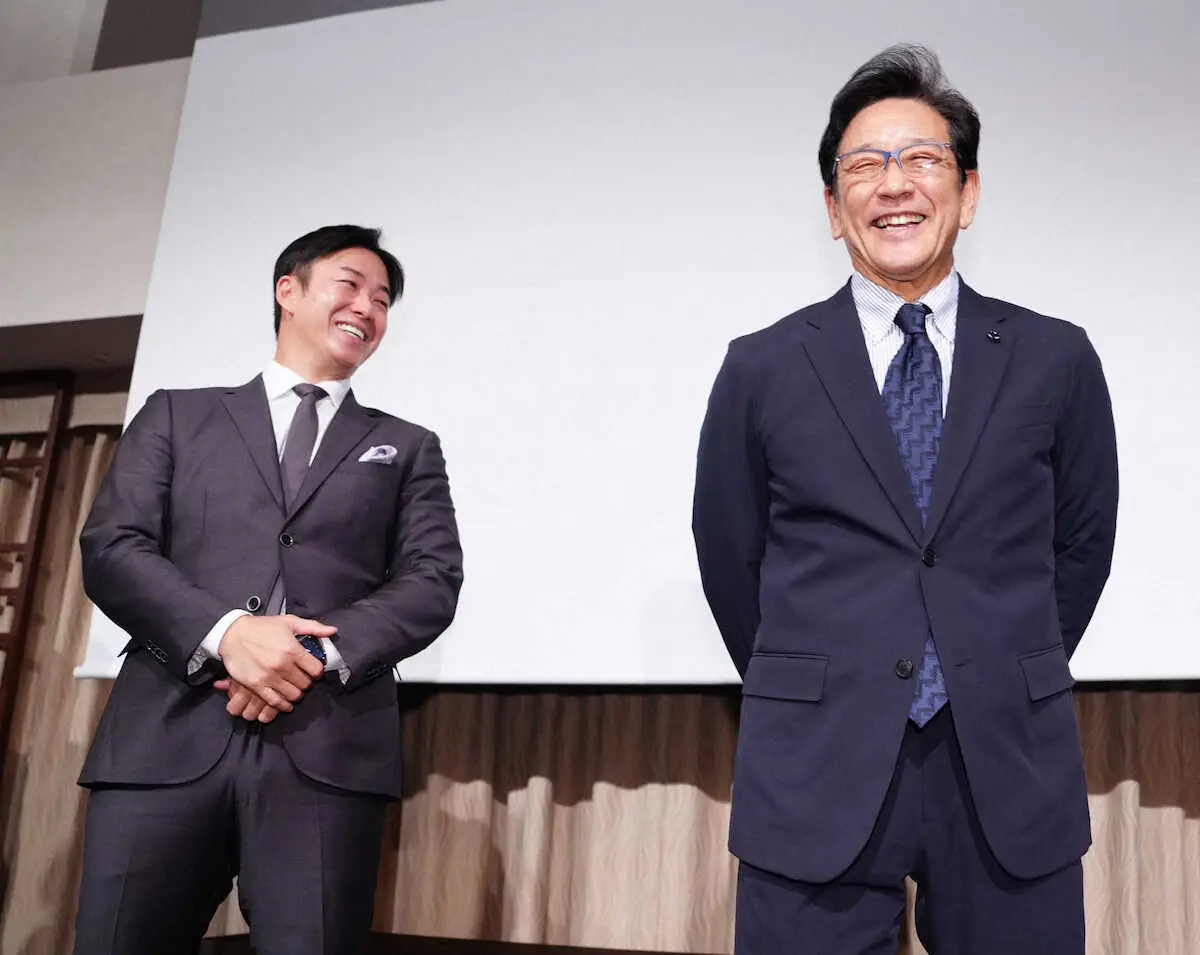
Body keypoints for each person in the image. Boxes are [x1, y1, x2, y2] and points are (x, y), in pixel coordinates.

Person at [692, 45, 1117, 954]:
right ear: (832, 207)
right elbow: (731, 554)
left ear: (968, 192)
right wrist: (817, 675)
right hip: (815, 768)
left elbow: (1083, 543)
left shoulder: (1056, 356)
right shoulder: (762, 366)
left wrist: (994, 659)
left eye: (922, 158)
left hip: (1005, 762)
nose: (894, 184)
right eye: (864, 165)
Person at [73, 224, 463, 955]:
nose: (368, 307)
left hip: (326, 746)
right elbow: (113, 548)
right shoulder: (178, 414)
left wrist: (299, 658)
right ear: (289, 290)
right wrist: (230, 634)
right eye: (351, 285)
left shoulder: (408, 445)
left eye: (383, 300)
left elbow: (432, 580)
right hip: (165, 736)